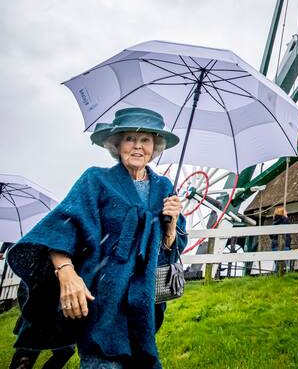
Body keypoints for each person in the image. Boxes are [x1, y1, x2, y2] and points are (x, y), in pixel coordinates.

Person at [6, 107, 187, 369]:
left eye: (145, 140)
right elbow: (61, 228)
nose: (138, 146)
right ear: (117, 144)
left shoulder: (165, 188)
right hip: (101, 298)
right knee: (102, 362)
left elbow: (169, 249)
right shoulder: (96, 180)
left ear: (155, 146)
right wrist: (67, 274)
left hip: (141, 304)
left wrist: (171, 225)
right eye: (130, 139)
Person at [270, 206, 292, 274]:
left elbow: (271, 236)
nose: (287, 212)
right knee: (285, 265)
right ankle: (284, 276)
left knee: (277, 264)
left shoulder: (274, 222)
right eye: (285, 211)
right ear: (282, 212)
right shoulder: (285, 220)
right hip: (284, 245)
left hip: (274, 245)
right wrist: (285, 217)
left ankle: (277, 276)